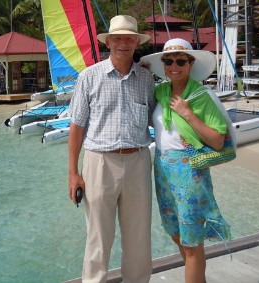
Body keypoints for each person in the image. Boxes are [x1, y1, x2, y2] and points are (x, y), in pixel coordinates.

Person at [68, 15, 155, 283]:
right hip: (99, 163)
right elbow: (77, 127)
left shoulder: (147, 79)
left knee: (139, 237)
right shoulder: (89, 77)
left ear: (136, 43)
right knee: (98, 237)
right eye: (118, 38)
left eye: (129, 38)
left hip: (139, 161)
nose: (123, 43)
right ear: (109, 42)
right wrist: (73, 173)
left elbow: (158, 120)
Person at [140, 38, 232, 283]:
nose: (174, 65)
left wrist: (188, 114)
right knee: (176, 234)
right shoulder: (160, 92)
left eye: (181, 60)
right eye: (168, 61)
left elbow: (218, 140)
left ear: (190, 64)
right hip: (162, 170)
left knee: (191, 242)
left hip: (190, 172)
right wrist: (143, 73)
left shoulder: (202, 96)